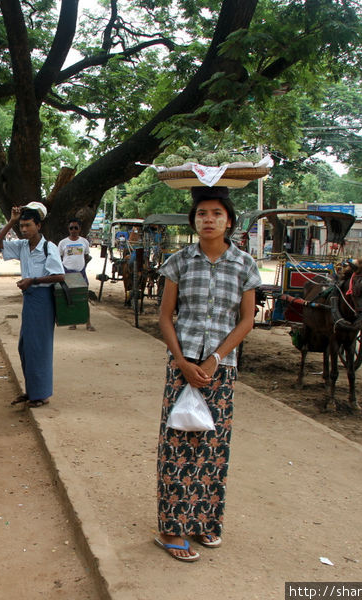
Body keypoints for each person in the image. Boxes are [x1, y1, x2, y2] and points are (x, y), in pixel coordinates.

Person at [154, 186, 261, 562]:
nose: (209, 219)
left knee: (213, 449)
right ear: (194, 220)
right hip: (182, 365)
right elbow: (165, 317)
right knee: (177, 445)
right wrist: (182, 361)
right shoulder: (179, 261)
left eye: (216, 213)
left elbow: (247, 320)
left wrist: (216, 358)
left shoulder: (244, 264)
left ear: (229, 220)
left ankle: (204, 523)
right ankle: (171, 528)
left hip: (222, 369)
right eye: (202, 214)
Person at [0, 202, 65, 408]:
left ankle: (40, 395)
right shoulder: (22, 245)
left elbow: (59, 275)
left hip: (43, 300)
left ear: (38, 226)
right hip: (30, 299)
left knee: (38, 347)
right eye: (21, 226)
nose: (24, 230)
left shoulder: (48, 247)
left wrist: (32, 280)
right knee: (26, 347)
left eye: (27, 226)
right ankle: (33, 391)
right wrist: (11, 222)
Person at [58, 218, 95, 331]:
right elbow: (59, 258)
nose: (73, 230)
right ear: (68, 229)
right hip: (67, 273)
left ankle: (88, 323)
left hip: (81, 274)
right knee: (70, 297)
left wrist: (82, 268)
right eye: (71, 228)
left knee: (84, 297)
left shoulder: (84, 242)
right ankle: (73, 322)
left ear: (79, 229)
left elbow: (86, 257)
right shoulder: (63, 243)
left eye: (76, 228)